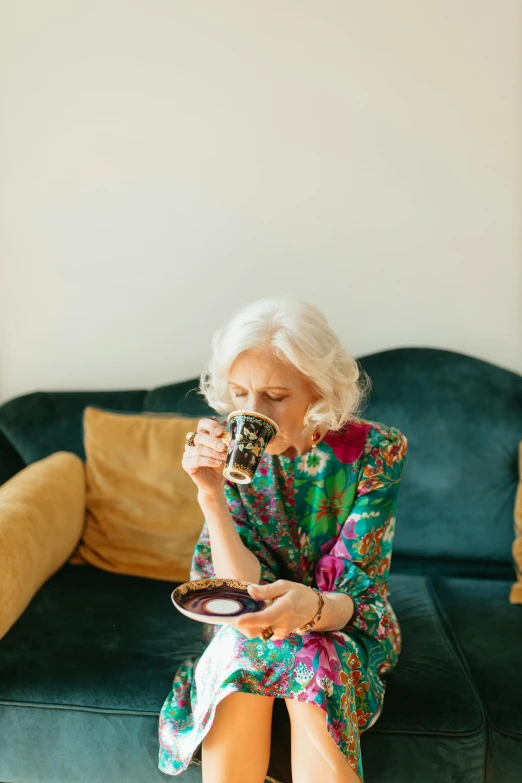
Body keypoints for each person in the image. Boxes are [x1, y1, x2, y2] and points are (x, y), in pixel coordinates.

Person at [158, 295, 409, 783]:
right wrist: (210, 496)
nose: (252, 413)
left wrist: (309, 611)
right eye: (239, 394)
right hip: (251, 623)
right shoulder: (228, 458)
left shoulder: (376, 451)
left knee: (315, 653)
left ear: (317, 391)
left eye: (275, 396)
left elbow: (358, 596)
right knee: (240, 650)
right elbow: (236, 593)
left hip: (343, 618)